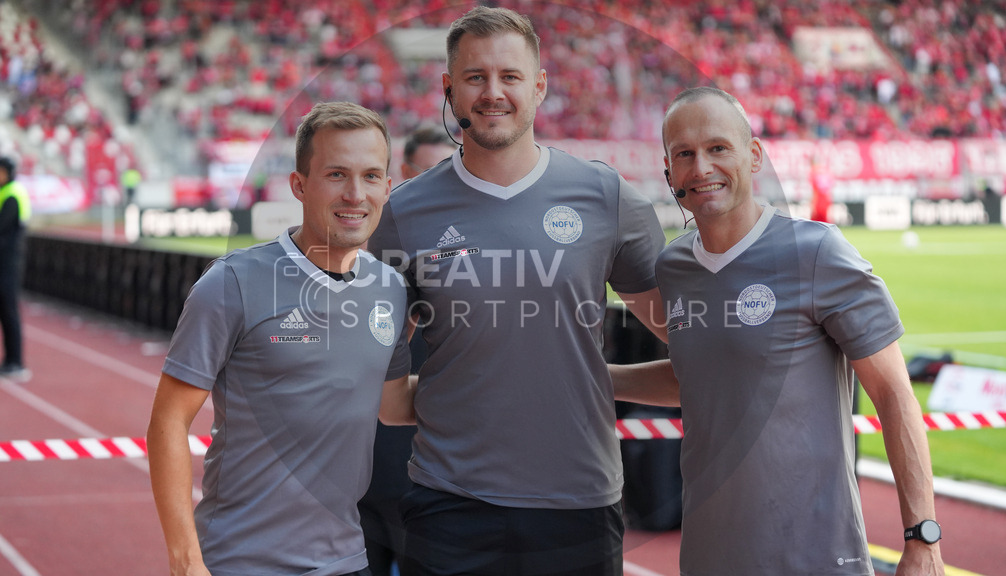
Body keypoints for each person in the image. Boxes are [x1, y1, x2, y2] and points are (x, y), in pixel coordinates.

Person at [367, 7, 667, 575]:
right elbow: (383, 380)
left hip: (578, 501)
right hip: (449, 505)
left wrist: (598, 382)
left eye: (509, 76)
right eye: (475, 77)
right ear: (450, 90)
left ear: (539, 86)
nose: (493, 93)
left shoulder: (607, 198)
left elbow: (692, 344)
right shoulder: (404, 212)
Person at [615, 86, 944, 575]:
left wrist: (922, 539)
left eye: (717, 148)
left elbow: (894, 394)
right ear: (668, 173)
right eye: (684, 154)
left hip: (814, 556)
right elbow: (701, 376)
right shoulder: (674, 267)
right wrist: (595, 378)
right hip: (708, 557)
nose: (701, 166)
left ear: (753, 156)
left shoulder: (819, 253)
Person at [147, 101, 415, 576]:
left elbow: (394, 407)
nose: (356, 193)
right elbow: (168, 422)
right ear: (299, 185)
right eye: (337, 174)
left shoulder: (391, 290)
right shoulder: (232, 283)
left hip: (348, 561)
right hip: (240, 563)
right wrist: (186, 562)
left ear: (387, 187)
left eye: (372, 176)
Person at [358, 124, 455, 576]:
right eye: (427, 173)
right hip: (359, 473)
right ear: (403, 172)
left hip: (431, 478)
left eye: (448, 173)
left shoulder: (475, 268)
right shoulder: (365, 255)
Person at [0, 156, 31, 381]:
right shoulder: (6, 192)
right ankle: (10, 360)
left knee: (9, 312)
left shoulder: (13, 194)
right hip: (4, 263)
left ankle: (16, 362)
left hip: (8, 264)